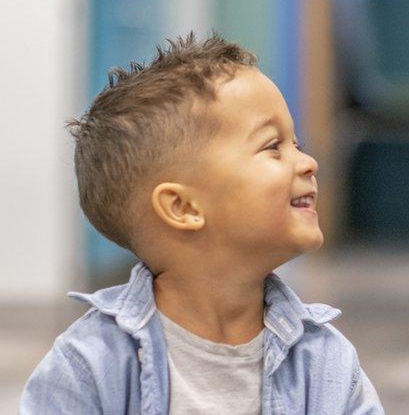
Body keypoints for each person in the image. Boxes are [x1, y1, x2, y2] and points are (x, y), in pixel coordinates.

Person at [20, 34, 383, 414]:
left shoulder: (325, 362)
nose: (308, 163)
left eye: (297, 143)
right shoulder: (90, 366)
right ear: (182, 207)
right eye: (272, 146)